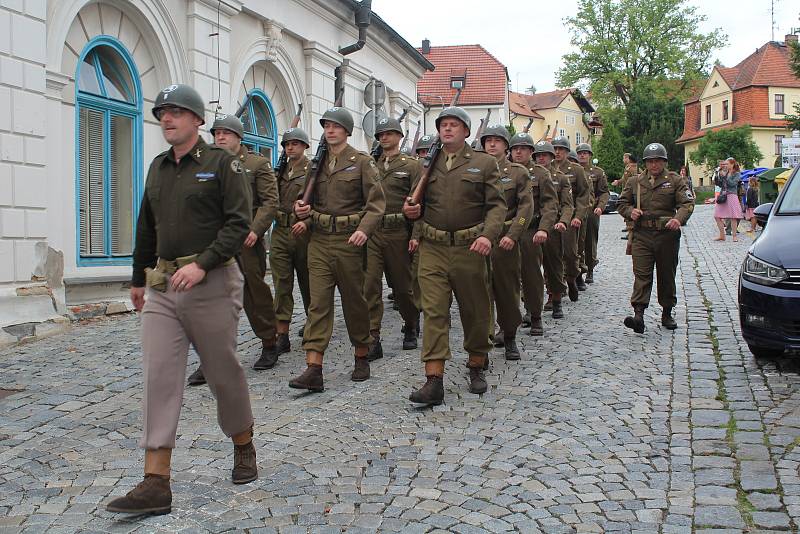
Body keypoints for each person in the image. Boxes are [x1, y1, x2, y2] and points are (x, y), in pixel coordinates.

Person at [106, 84, 257, 516]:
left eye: (175, 112)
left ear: (197, 120)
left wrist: (204, 263)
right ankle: (156, 481)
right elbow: (146, 226)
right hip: (163, 286)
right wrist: (138, 277)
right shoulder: (157, 168)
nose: (166, 119)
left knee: (221, 370)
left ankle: (243, 442)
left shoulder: (223, 164)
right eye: (162, 113)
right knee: (158, 375)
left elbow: (237, 225)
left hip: (210, 283)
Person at [402, 106, 506, 406]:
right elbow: (415, 204)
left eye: (453, 125)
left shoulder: (483, 164)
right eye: (443, 125)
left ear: (466, 131)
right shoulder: (426, 164)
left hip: (469, 247)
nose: (447, 129)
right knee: (434, 311)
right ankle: (434, 379)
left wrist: (488, 235)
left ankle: (476, 364)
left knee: (474, 310)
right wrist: (411, 215)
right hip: (432, 247)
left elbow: (497, 206)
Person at [289, 106, 386, 392]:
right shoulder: (315, 164)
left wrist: (363, 231)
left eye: (335, 126)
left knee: (354, 302)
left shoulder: (362, 162)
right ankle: (314, 368)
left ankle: (361, 354)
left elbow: (376, 204)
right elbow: (303, 199)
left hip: (348, 241)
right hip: (319, 241)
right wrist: (300, 210)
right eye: (326, 126)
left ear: (346, 130)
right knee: (318, 305)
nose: (330, 130)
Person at [186, 114, 279, 386]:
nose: (221, 137)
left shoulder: (257, 164)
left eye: (226, 133)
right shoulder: (209, 164)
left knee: (254, 294)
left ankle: (269, 341)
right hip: (218, 243)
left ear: (239, 137)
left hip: (247, 242)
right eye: (217, 133)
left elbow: (270, 203)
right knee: (215, 300)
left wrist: (255, 229)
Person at [617, 143, 694, 334]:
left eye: (657, 161)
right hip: (642, 235)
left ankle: (667, 312)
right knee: (641, 274)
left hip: (666, 235)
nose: (654, 165)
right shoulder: (635, 181)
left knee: (666, 274)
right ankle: (638, 315)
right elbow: (622, 203)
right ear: (645, 163)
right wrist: (630, 211)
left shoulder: (675, 180)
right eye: (650, 161)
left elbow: (687, 203)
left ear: (664, 162)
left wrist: (678, 219)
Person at [364, 117, 421, 361]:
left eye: (389, 133)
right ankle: (373, 337)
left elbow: (420, 203)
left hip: (399, 232)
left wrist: (416, 235)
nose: (384, 137)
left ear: (399, 137)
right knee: (370, 286)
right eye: (380, 134)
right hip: (373, 231)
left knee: (402, 289)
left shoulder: (411, 166)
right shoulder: (369, 164)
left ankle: (411, 322)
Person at [481, 125, 533, 359]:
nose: (492, 144)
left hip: (504, 238)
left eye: (497, 141)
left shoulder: (517, 172)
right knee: (479, 292)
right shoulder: (474, 170)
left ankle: (509, 334)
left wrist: (513, 234)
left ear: (506, 145)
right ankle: (482, 341)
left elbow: (525, 206)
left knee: (507, 291)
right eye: (488, 140)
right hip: (477, 238)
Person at [509, 133, 559, 336]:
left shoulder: (540, 174)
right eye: (515, 148)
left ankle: (535, 314)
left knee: (531, 275)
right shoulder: (504, 171)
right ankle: (509, 320)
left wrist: (543, 228)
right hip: (507, 231)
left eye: (523, 148)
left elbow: (550, 205)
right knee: (507, 278)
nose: (518, 151)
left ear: (531, 152)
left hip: (530, 230)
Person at [270, 127, 312, 355]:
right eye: (287, 143)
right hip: (279, 231)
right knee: (282, 284)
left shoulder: (313, 169)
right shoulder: (279, 170)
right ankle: (282, 334)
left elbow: (320, 201)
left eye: (295, 143)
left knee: (308, 283)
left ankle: (313, 325)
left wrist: (308, 222)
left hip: (303, 233)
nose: (290, 147)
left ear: (305, 146)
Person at [552, 136, 591, 300]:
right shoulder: (545, 168)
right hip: (550, 217)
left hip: (571, 217)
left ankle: (571, 278)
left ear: (567, 152)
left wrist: (578, 216)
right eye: (555, 148)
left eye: (561, 149)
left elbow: (584, 196)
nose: (557, 151)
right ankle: (554, 292)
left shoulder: (576, 170)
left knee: (570, 254)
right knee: (552, 256)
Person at [536, 141, 572, 319]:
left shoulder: (561, 178)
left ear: (551, 158)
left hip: (552, 225)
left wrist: (564, 222)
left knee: (553, 265)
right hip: (531, 225)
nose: (541, 158)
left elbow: (567, 205)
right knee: (529, 267)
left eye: (545, 155)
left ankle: (556, 298)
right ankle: (530, 305)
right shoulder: (526, 175)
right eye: (538, 155)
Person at [576, 143, 609, 284]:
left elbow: (604, 193)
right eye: (580, 153)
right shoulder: (572, 170)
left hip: (591, 210)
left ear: (590, 155)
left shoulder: (597, 172)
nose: (582, 155)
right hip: (576, 211)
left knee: (590, 241)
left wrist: (600, 207)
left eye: (585, 153)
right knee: (576, 242)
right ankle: (576, 270)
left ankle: (590, 268)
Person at [713, 158, 744, 242]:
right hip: (723, 195)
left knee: (733, 217)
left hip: (732, 196)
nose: (725, 166)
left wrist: (725, 177)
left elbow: (733, 184)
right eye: (724, 164)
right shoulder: (725, 173)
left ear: (732, 164)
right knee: (716, 216)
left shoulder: (737, 174)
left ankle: (734, 236)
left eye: (727, 164)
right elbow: (719, 184)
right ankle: (722, 235)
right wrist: (717, 175)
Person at [615, 153, 638, 240]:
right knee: (626, 213)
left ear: (628, 158)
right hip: (626, 191)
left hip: (631, 193)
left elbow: (635, 179)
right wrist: (618, 182)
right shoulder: (628, 167)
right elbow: (624, 179)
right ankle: (629, 229)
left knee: (630, 212)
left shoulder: (633, 168)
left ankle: (631, 233)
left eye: (624, 158)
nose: (623, 160)